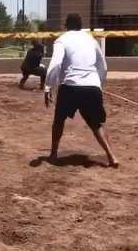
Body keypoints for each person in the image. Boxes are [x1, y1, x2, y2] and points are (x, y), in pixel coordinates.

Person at [44, 13, 118, 167]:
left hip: (70, 86)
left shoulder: (62, 40)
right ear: (80, 25)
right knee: (96, 124)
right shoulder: (91, 40)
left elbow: (56, 63)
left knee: (59, 121)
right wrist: (98, 83)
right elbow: (102, 65)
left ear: (66, 25)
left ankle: (53, 155)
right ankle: (111, 156)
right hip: (92, 86)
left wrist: (48, 86)